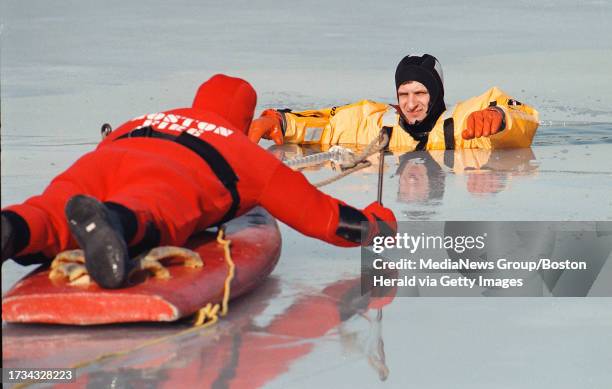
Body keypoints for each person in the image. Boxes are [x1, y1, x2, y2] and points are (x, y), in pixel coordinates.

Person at [1, 74, 396, 289]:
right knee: (151, 206)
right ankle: (115, 224)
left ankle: (15, 227)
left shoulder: (142, 117)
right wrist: (376, 224)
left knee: (51, 207)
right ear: (244, 121)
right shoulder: (247, 155)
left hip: (107, 157)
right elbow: (324, 219)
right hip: (176, 175)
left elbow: (108, 147)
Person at [247, 54, 539, 151]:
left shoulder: (466, 123)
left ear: (436, 94)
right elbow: (327, 126)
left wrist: (499, 118)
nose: (411, 104)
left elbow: (525, 119)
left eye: (421, 93)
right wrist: (281, 123)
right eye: (404, 94)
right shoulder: (375, 125)